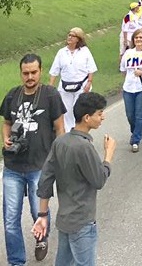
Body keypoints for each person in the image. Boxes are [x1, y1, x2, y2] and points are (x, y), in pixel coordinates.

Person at [33, 93, 115, 266]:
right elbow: (99, 180)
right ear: (87, 117)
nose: (103, 117)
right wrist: (108, 156)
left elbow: (46, 179)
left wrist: (42, 215)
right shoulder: (84, 147)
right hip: (82, 221)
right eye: (99, 113)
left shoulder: (60, 142)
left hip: (64, 220)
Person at [2, 54, 65, 264]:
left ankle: (41, 238)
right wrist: (6, 139)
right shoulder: (12, 95)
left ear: (40, 71)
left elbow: (60, 129)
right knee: (10, 219)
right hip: (12, 167)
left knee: (38, 211)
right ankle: (16, 261)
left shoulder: (50, 95)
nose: (29, 77)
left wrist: (60, 160)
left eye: (33, 72)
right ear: (21, 73)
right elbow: (7, 122)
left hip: (40, 165)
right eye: (26, 73)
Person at [48, 27, 98, 132]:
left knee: (79, 110)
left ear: (78, 39)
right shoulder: (61, 52)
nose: (70, 37)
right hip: (65, 87)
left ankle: (80, 132)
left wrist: (89, 82)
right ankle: (69, 132)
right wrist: (51, 86)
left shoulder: (85, 51)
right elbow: (54, 70)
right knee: (66, 112)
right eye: (69, 35)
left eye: (73, 36)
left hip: (81, 86)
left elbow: (91, 68)